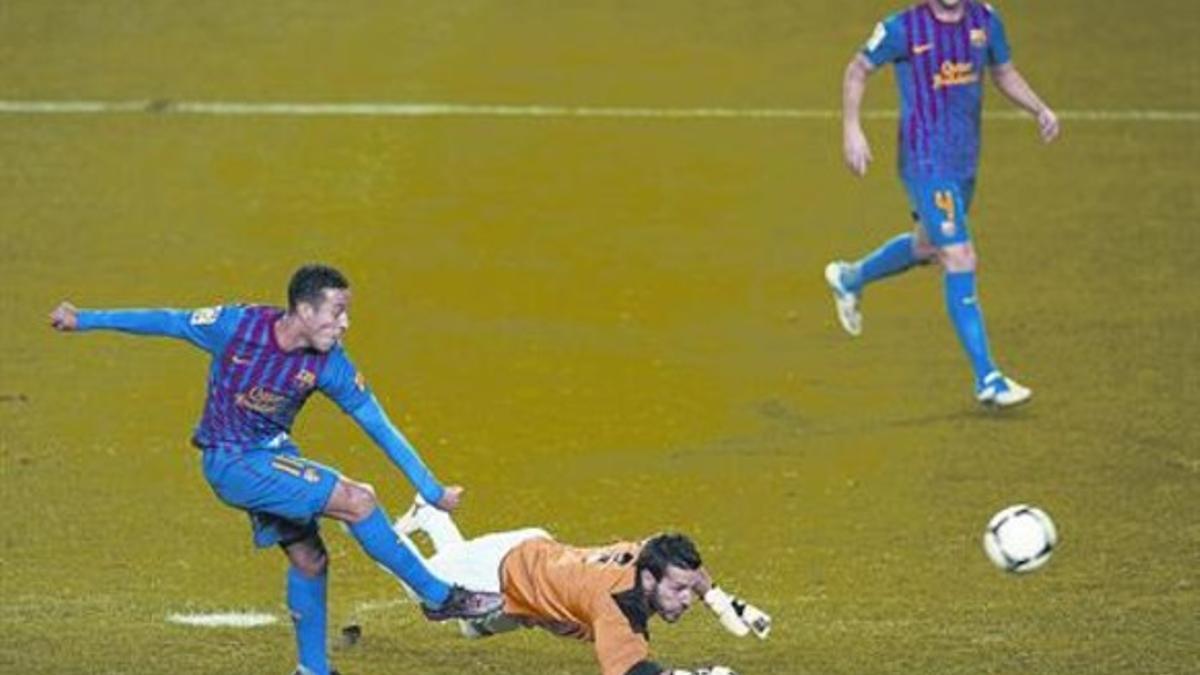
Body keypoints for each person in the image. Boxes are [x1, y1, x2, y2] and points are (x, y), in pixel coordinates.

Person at [48, 264, 503, 675]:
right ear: (304, 310)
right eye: (337, 311)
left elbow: (378, 426)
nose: (345, 323)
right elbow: (167, 320)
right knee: (357, 500)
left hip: (270, 456)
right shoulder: (236, 325)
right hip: (231, 461)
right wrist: (83, 318)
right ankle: (440, 597)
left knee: (309, 559)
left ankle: (312, 670)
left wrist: (431, 488)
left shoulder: (331, 364)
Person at [826, 0, 1059, 407]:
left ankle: (850, 278)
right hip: (924, 160)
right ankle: (987, 377)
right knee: (959, 255)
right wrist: (851, 129)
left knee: (927, 246)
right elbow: (857, 69)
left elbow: (1003, 71)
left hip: (963, 161)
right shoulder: (902, 28)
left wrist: (1038, 108)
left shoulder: (986, 19)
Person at [384, 496, 771, 675]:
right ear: (650, 578)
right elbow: (630, 671)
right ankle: (370, 521)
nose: (686, 599)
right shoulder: (619, 607)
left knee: (472, 630)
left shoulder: (651, 556)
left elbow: (687, 565)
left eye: (689, 590)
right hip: (497, 573)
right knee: (413, 580)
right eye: (679, 591)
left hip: (532, 572)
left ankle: (429, 515)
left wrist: (723, 602)